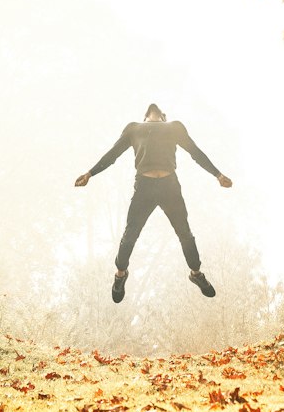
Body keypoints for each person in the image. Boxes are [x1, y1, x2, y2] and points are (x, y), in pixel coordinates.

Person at [74, 103, 233, 302]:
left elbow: (195, 152)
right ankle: (120, 275)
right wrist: (90, 173)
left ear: (163, 117)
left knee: (184, 232)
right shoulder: (134, 128)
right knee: (130, 234)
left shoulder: (174, 127)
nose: (154, 107)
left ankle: (196, 274)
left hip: (169, 186)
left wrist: (217, 174)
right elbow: (112, 154)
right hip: (144, 187)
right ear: (145, 116)